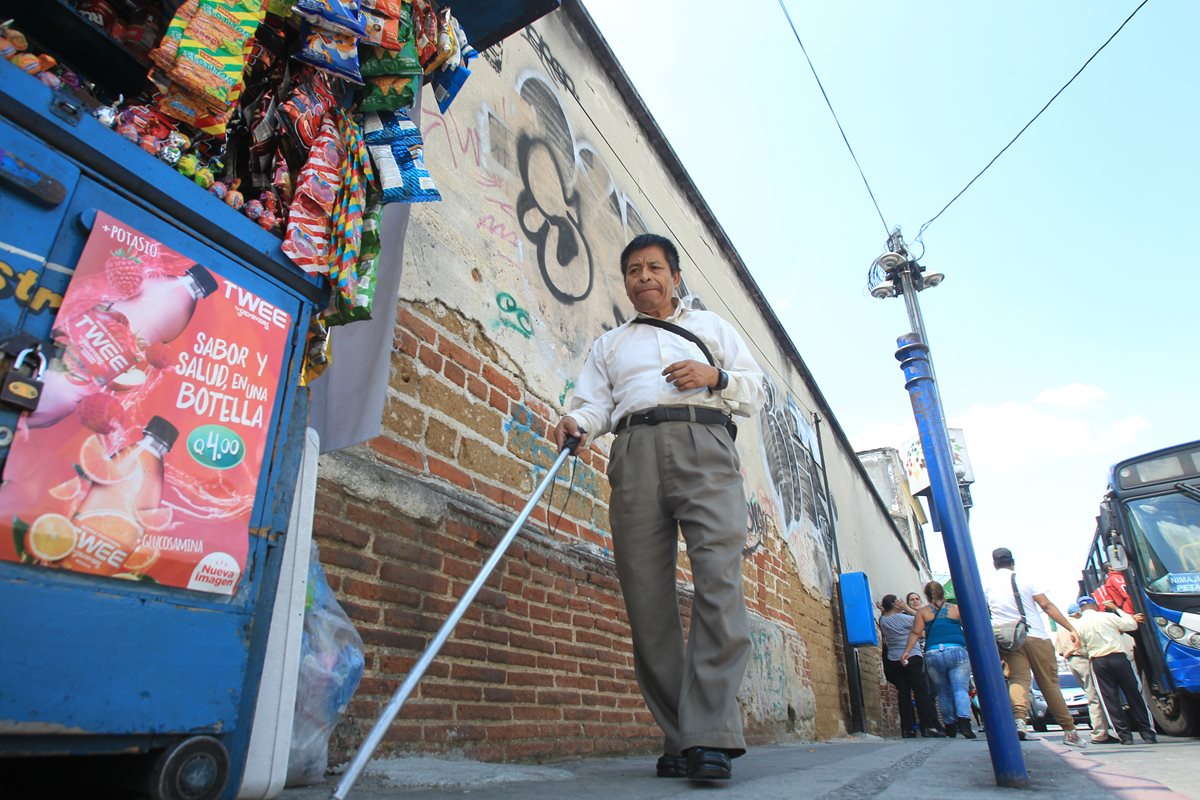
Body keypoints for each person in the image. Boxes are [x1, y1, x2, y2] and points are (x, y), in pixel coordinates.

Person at [553, 233, 765, 781]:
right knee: (647, 599)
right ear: (625, 283)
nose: (643, 277)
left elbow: (755, 390)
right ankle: (683, 735)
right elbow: (595, 404)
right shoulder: (610, 345)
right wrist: (579, 423)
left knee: (719, 583)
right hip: (634, 451)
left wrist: (714, 376)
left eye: (653, 268)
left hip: (705, 446)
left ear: (674, 277)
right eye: (632, 271)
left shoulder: (711, 328)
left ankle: (709, 734)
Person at [983, 547, 1086, 747]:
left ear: (994, 564)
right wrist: (1070, 628)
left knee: (1018, 678)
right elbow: (1046, 605)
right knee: (1048, 683)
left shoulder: (988, 586)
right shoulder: (1025, 579)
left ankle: (1020, 721)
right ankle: (1069, 732)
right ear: (1012, 562)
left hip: (1008, 638)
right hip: (1035, 635)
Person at [1073, 597, 1157, 745]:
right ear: (1095, 605)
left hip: (1098, 661)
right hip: (1119, 658)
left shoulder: (1078, 625)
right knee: (1135, 695)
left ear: (1081, 609)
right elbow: (1132, 625)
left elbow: (1081, 648)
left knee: (1110, 700)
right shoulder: (1108, 616)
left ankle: (1125, 737)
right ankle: (1148, 734)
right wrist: (1116, 608)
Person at [900, 581, 976, 738]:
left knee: (943, 691)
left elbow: (915, 633)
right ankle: (964, 723)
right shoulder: (955, 609)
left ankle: (950, 725)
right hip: (956, 650)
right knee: (960, 688)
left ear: (926, 596)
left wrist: (906, 652)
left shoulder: (922, 612)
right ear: (943, 593)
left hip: (933, 653)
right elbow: (968, 629)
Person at [878, 593, 945, 739]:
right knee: (921, 692)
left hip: (894, 659)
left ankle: (907, 729)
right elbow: (927, 619)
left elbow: (886, 615)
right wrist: (907, 608)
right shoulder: (905, 618)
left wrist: (883, 610)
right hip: (912, 656)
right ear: (896, 604)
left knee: (903, 694)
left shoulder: (883, 620)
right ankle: (928, 726)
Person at [1057, 602, 1118, 744]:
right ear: (1078, 613)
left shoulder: (1061, 627)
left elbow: (1060, 650)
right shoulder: (1077, 625)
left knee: (1090, 694)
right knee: (1095, 696)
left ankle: (1100, 731)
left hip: (1072, 662)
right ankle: (1099, 734)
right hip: (1083, 659)